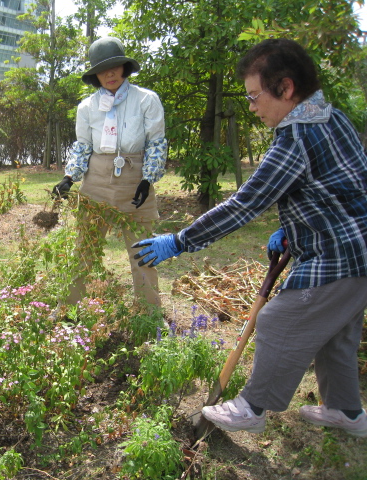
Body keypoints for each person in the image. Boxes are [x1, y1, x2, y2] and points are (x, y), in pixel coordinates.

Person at [132, 38, 367, 437]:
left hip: (341, 255)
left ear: (286, 88)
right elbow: (344, 184)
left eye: (256, 97)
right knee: (336, 336)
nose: (253, 107)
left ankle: (252, 408)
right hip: (354, 245)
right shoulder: (332, 118)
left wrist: (181, 241)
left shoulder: (295, 138)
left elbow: (244, 206)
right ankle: (348, 413)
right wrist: (294, 228)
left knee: (277, 320)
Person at [52, 36, 168, 308]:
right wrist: (70, 178)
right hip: (97, 181)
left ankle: (149, 315)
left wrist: (147, 180)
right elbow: (83, 146)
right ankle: (68, 311)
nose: (110, 74)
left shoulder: (146, 100)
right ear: (96, 76)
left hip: (134, 179)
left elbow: (156, 143)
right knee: (85, 248)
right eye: (103, 70)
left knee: (143, 251)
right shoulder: (87, 107)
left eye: (115, 67)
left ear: (124, 68)